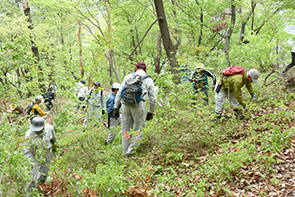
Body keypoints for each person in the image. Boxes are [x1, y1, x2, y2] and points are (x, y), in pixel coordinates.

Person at [113, 62, 157, 157]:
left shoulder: (128, 76)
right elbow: (153, 98)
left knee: (126, 129)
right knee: (139, 129)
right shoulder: (148, 79)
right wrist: (151, 112)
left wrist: (115, 107)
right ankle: (131, 151)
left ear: (136, 69)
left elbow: (120, 91)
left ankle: (125, 152)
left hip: (125, 105)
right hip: (138, 106)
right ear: (145, 70)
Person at [24, 117, 56, 197]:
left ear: (44, 126)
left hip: (46, 155)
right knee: (31, 178)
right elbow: (27, 152)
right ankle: (28, 195)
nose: (37, 131)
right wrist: (32, 163)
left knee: (44, 174)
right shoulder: (29, 135)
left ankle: (39, 190)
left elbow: (54, 141)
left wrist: (53, 152)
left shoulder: (50, 128)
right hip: (34, 157)